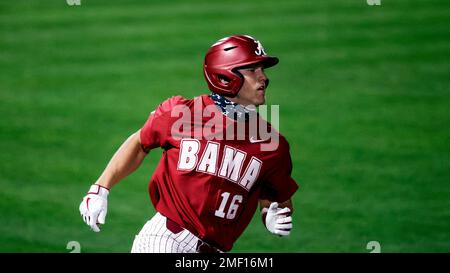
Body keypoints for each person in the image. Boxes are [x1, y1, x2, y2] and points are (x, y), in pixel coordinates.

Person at [79, 35, 299, 253]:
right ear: (225, 76)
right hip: (165, 241)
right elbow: (140, 143)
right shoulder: (181, 114)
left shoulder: (272, 143)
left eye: (263, 69)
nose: (264, 78)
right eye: (253, 70)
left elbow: (275, 196)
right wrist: (100, 189)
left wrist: (271, 214)